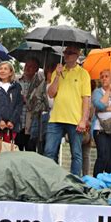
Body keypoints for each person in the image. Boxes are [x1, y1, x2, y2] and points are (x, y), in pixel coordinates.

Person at [44, 45, 91, 176]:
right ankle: (51, 180)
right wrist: (57, 76)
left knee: (76, 153)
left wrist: (83, 120)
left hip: (75, 119)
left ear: (77, 55)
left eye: (71, 53)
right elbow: (51, 93)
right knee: (49, 151)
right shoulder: (57, 71)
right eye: (66, 52)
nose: (67, 55)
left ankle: (74, 182)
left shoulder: (83, 74)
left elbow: (86, 99)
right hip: (56, 118)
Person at [0, 61, 23, 145]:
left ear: (10, 72)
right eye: (0, 69)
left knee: (8, 154)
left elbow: (19, 105)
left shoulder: (17, 87)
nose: (2, 71)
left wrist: (12, 121)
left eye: (5, 69)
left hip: (11, 126)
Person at [17, 57, 41, 151]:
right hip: (18, 122)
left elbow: (38, 104)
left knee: (30, 151)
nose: (27, 68)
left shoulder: (39, 84)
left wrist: (26, 100)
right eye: (27, 65)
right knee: (16, 151)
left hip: (31, 124)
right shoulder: (16, 81)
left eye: (31, 66)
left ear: (36, 69)